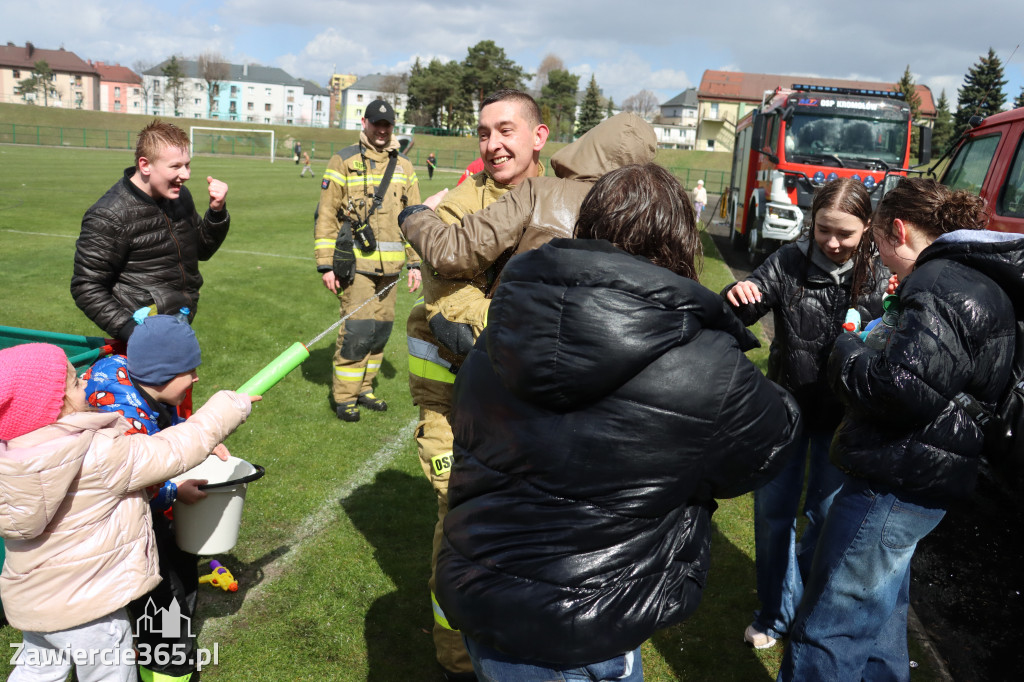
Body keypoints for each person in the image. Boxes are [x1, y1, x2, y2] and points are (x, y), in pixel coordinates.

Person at [434, 163, 802, 680]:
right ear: (678, 243)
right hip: (585, 624)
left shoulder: (504, 326)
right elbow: (770, 444)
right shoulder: (705, 364)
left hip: (485, 599)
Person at [778, 177, 1024, 681]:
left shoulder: (938, 283)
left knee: (830, 627)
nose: (880, 259)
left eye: (877, 244)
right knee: (882, 617)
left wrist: (847, 349)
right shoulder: (974, 277)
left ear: (898, 229)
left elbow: (899, 390)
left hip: (894, 478)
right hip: (925, 478)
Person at [0, 342, 255, 682]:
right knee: (110, 673)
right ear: (54, 405)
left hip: (34, 603)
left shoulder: (10, 461)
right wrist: (231, 405)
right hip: (91, 609)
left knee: (38, 670)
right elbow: (175, 448)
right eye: (75, 382)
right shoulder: (98, 454)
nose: (86, 383)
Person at [405, 88, 549, 681]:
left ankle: (518, 643)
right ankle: (458, 662)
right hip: (454, 404)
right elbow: (450, 304)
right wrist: (539, 326)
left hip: (530, 405)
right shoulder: (459, 209)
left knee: (530, 529)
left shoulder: (562, 200)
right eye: (484, 133)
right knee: (461, 526)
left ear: (538, 136)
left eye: (506, 130)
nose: (493, 144)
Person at [722, 178, 889, 650]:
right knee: (773, 515)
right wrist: (737, 295)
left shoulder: (883, 273)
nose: (832, 243)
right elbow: (741, 311)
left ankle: (808, 607)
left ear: (867, 226)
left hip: (845, 420)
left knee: (827, 516)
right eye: (823, 230)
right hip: (786, 413)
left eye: (845, 233)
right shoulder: (788, 261)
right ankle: (774, 615)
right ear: (810, 223)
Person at [83, 315, 219, 682]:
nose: (196, 378)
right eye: (189, 372)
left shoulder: (125, 373)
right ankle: (169, 666)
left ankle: (159, 647)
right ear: (161, 374)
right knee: (164, 596)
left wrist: (200, 441)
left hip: (127, 518)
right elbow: (134, 482)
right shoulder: (128, 422)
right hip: (130, 522)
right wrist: (174, 491)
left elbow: (168, 429)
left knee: (169, 576)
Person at [72, 120, 230, 341]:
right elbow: (86, 287)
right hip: (142, 328)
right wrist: (135, 333)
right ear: (145, 165)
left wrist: (216, 212)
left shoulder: (180, 196)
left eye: (187, 165)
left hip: (179, 317)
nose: (186, 174)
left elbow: (201, 251)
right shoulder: (109, 215)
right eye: (175, 166)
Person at [313, 98, 422, 422]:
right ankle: (345, 397)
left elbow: (415, 218)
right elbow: (326, 213)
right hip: (356, 265)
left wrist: (415, 262)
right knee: (358, 330)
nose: (382, 130)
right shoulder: (343, 160)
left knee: (380, 331)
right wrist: (326, 264)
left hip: (392, 269)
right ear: (365, 123)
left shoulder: (404, 167)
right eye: (376, 124)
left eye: (387, 125)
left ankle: (365, 388)